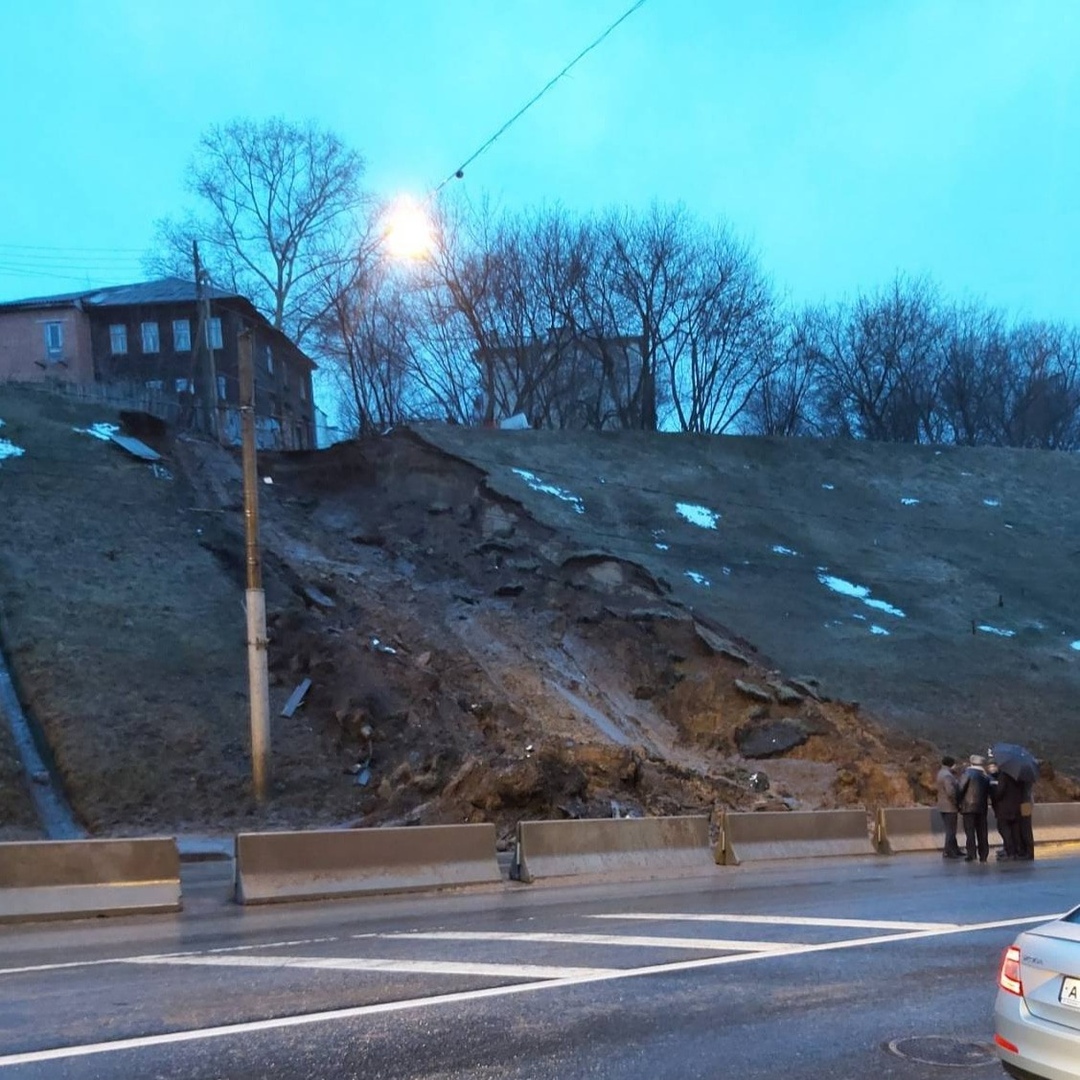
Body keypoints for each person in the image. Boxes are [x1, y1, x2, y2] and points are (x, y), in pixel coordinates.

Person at [956, 754, 991, 863]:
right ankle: (984, 854)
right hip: (982, 808)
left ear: (971, 762)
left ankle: (971, 854)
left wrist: (958, 802)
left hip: (968, 807)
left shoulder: (967, 774)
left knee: (970, 832)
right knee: (982, 831)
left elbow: (960, 789)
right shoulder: (986, 776)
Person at [988, 763, 1024, 860]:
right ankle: (1017, 851)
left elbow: (1000, 792)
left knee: (1004, 830)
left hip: (1004, 808)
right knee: (1015, 831)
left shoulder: (1003, 776)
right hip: (1016, 807)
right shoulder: (1018, 777)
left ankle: (1010, 852)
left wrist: (993, 795)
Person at [935, 755, 962, 859]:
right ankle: (948, 851)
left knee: (949, 828)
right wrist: (956, 802)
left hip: (942, 806)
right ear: (951, 764)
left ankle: (955, 849)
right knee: (951, 830)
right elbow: (950, 792)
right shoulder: (948, 776)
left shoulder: (940, 773)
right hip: (949, 806)